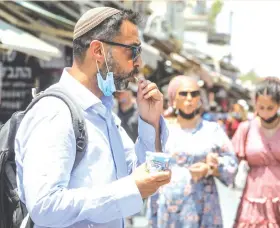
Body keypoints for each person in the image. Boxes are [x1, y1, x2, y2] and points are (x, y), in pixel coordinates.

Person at [15, 7, 171, 228]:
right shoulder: (55, 112)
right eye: (133, 51)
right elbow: (44, 205)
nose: (139, 63)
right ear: (98, 51)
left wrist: (150, 122)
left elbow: (137, 173)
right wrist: (128, 190)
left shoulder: (103, 113)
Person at [147, 76, 238, 228]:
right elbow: (152, 169)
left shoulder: (212, 130)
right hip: (169, 210)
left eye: (194, 94)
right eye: (183, 94)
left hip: (204, 209)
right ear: (173, 99)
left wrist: (211, 169)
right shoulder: (162, 130)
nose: (189, 98)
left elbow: (231, 164)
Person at [233, 77, 280, 227]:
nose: (265, 113)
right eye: (261, 107)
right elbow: (230, 161)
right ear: (255, 104)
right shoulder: (245, 129)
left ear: (279, 104)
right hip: (253, 203)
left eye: (270, 108)